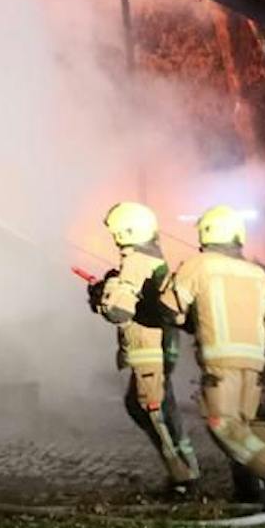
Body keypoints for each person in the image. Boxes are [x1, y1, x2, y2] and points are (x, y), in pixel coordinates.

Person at [161, 204, 265, 504]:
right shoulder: (256, 273)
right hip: (253, 363)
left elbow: (170, 310)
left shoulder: (199, 265)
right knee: (242, 429)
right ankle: (249, 491)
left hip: (220, 364)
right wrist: (260, 340)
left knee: (223, 425)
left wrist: (191, 321)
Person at [87, 199, 201, 497]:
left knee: (154, 411)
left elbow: (119, 311)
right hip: (156, 346)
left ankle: (184, 479)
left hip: (149, 349)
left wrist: (104, 295)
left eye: (115, 233)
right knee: (145, 407)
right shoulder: (149, 258)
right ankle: (184, 470)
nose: (114, 238)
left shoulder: (137, 261)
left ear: (126, 232)